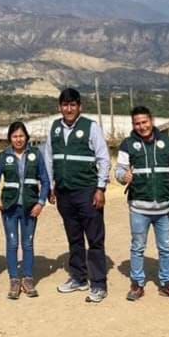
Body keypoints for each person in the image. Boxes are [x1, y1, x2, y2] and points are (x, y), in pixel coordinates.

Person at [42, 88, 111, 303]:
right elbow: (49, 158)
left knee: (95, 238)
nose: (69, 109)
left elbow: (103, 159)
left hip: (87, 192)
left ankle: (98, 283)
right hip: (64, 192)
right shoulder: (54, 127)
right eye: (65, 105)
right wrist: (50, 186)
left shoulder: (91, 127)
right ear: (59, 107)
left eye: (73, 104)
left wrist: (100, 188)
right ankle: (79, 277)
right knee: (74, 237)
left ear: (79, 106)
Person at [116, 106, 169, 301]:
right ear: (133, 125)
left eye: (144, 122)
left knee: (166, 247)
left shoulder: (167, 142)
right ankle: (137, 283)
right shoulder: (127, 144)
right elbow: (119, 171)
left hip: (165, 207)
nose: (141, 126)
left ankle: (166, 283)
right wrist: (123, 176)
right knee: (138, 246)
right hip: (139, 207)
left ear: (151, 120)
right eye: (137, 123)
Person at [0, 122, 51, 299]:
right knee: (12, 244)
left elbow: (45, 181)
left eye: (21, 136)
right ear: (10, 138)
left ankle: (28, 278)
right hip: (9, 207)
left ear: (27, 137)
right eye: (15, 136)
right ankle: (14, 280)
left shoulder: (35, 155)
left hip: (30, 207)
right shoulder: (4, 156)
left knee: (28, 243)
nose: (18, 139)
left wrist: (40, 203)